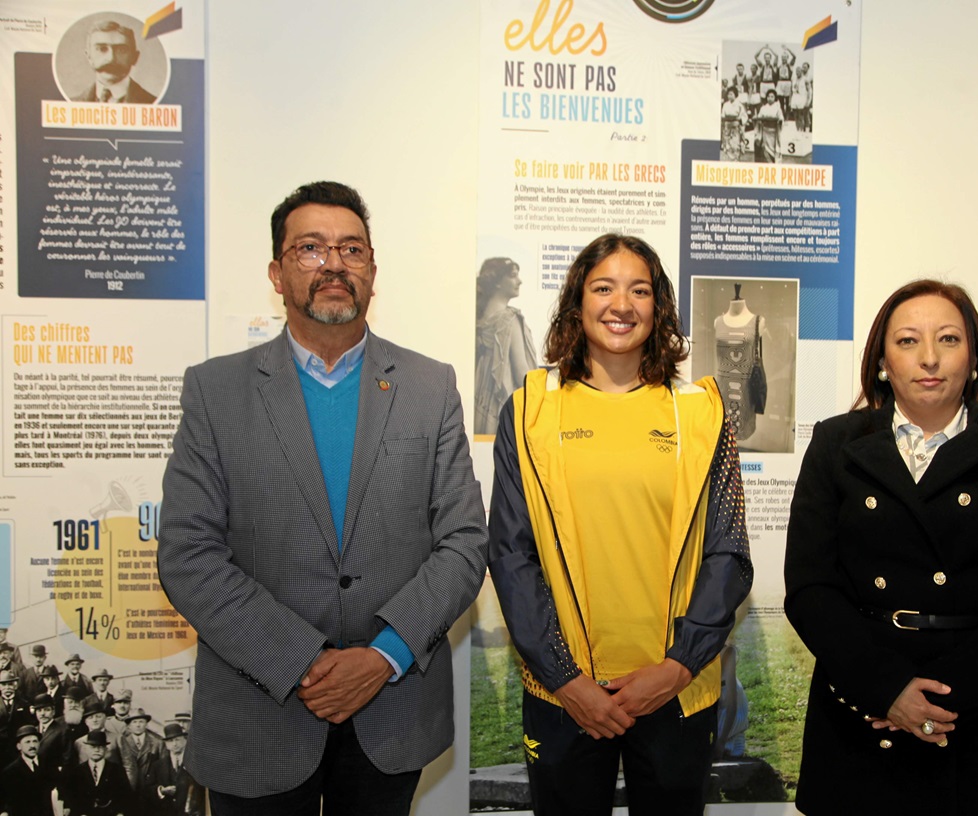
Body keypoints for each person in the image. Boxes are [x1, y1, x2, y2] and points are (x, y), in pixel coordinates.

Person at [157, 180, 489, 815]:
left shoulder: (429, 385)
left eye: (351, 249)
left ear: (372, 272)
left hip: (389, 717)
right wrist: (302, 661)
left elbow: (465, 542)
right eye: (310, 248)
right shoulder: (215, 391)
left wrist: (383, 656)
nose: (334, 263)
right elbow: (188, 555)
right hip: (257, 715)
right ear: (278, 273)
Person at [784, 279, 978, 815]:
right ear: (881, 362)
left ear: (974, 358)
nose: (928, 358)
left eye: (947, 339)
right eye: (907, 341)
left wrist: (940, 699)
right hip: (861, 712)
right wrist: (887, 690)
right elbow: (810, 587)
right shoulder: (835, 443)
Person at [487, 233, 753, 815]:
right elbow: (511, 555)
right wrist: (567, 680)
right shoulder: (531, 409)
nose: (620, 304)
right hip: (566, 694)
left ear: (657, 307)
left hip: (674, 690)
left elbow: (727, 554)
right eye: (602, 287)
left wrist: (679, 666)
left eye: (639, 290)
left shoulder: (702, 414)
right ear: (577, 304)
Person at [474, 257, 537, 435]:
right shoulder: (508, 318)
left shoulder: (479, 319)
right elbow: (521, 373)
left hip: (480, 402)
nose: (520, 281)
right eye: (513, 276)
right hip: (501, 402)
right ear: (498, 283)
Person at [72, 20, 156, 104]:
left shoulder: (153, 102)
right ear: (89, 57)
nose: (111, 58)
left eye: (121, 50)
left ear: (135, 57)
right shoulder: (72, 103)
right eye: (102, 49)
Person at [61, 730, 132, 816]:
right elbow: (71, 796)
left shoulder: (116, 770)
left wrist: (120, 812)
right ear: (86, 749)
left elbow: (125, 795)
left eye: (100, 747)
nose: (97, 750)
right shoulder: (77, 771)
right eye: (92, 747)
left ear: (106, 749)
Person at [149, 723, 204, 816]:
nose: (175, 744)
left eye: (177, 739)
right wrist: (161, 790)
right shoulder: (157, 765)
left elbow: (203, 792)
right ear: (166, 744)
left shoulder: (196, 763)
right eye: (170, 740)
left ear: (185, 740)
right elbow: (148, 789)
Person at [1, 724, 56, 816]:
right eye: (27, 742)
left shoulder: (49, 764)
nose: (32, 745)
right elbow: (5, 798)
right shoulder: (10, 772)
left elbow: (60, 787)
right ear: (19, 746)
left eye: (35, 741)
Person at [755, 89, 783, 163]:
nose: (770, 98)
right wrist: (760, 120)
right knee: (765, 149)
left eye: (772, 96)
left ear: (775, 98)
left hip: (773, 132)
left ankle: (773, 162)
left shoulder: (778, 108)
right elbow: (759, 117)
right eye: (768, 96)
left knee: (773, 149)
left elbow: (781, 119)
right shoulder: (763, 108)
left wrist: (779, 121)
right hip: (765, 131)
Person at [720, 86, 746, 161]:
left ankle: (736, 160)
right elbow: (723, 115)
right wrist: (725, 119)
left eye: (731, 94)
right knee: (728, 146)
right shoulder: (725, 104)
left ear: (735, 95)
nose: (729, 96)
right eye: (728, 94)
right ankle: (729, 160)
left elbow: (744, 116)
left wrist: (739, 120)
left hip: (735, 128)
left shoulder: (739, 105)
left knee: (735, 145)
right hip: (727, 127)